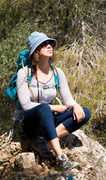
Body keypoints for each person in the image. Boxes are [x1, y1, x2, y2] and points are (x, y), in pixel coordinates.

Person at [13, 31, 91, 170]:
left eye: (50, 43)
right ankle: (61, 157)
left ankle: (45, 141)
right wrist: (54, 108)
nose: (49, 46)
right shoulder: (24, 73)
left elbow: (68, 99)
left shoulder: (57, 73)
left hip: (46, 120)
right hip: (28, 122)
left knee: (85, 113)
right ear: (36, 51)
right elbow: (25, 105)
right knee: (44, 108)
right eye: (44, 44)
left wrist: (76, 106)